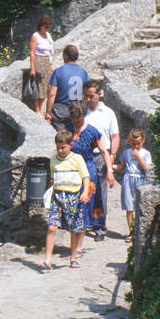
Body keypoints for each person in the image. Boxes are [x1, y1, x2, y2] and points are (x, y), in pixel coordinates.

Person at [42, 129, 93, 270]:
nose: (60, 151)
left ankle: (73, 258)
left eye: (63, 147)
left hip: (73, 197)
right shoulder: (53, 160)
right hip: (57, 196)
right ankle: (47, 260)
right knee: (52, 227)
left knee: (73, 229)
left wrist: (85, 191)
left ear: (70, 145)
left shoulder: (77, 159)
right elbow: (53, 178)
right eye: (58, 148)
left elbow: (85, 177)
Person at [66, 101, 115, 236]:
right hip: (72, 169)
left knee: (92, 198)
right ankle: (75, 228)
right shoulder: (68, 129)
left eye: (78, 119)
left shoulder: (92, 131)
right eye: (73, 119)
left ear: (83, 115)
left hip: (88, 168)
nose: (75, 122)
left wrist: (110, 171)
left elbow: (104, 151)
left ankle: (98, 228)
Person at [83, 81, 120, 239]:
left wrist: (112, 156)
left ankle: (99, 225)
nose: (88, 100)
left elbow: (115, 136)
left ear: (99, 94)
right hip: (83, 156)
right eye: (86, 96)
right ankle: (84, 223)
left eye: (91, 96)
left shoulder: (108, 113)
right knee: (83, 189)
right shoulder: (82, 111)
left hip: (100, 156)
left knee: (99, 191)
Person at [116, 128, 153, 242]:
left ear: (143, 141)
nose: (136, 146)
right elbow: (121, 166)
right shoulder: (126, 153)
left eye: (138, 143)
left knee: (140, 207)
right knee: (129, 207)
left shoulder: (146, 153)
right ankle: (131, 231)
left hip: (141, 180)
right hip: (128, 179)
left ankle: (141, 231)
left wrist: (138, 157)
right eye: (133, 144)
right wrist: (109, 166)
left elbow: (147, 168)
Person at [45, 44, 89, 128]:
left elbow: (52, 93)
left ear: (66, 56)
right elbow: (86, 93)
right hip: (77, 109)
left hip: (60, 111)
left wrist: (48, 112)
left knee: (61, 136)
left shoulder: (58, 71)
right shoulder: (84, 73)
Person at [28, 16, 55, 118]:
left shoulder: (47, 36)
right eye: (46, 26)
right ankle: (37, 109)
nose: (47, 28)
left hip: (46, 62)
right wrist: (32, 68)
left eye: (48, 27)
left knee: (47, 87)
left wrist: (51, 65)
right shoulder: (35, 36)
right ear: (41, 25)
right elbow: (32, 52)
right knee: (39, 87)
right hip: (38, 61)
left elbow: (49, 52)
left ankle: (39, 107)